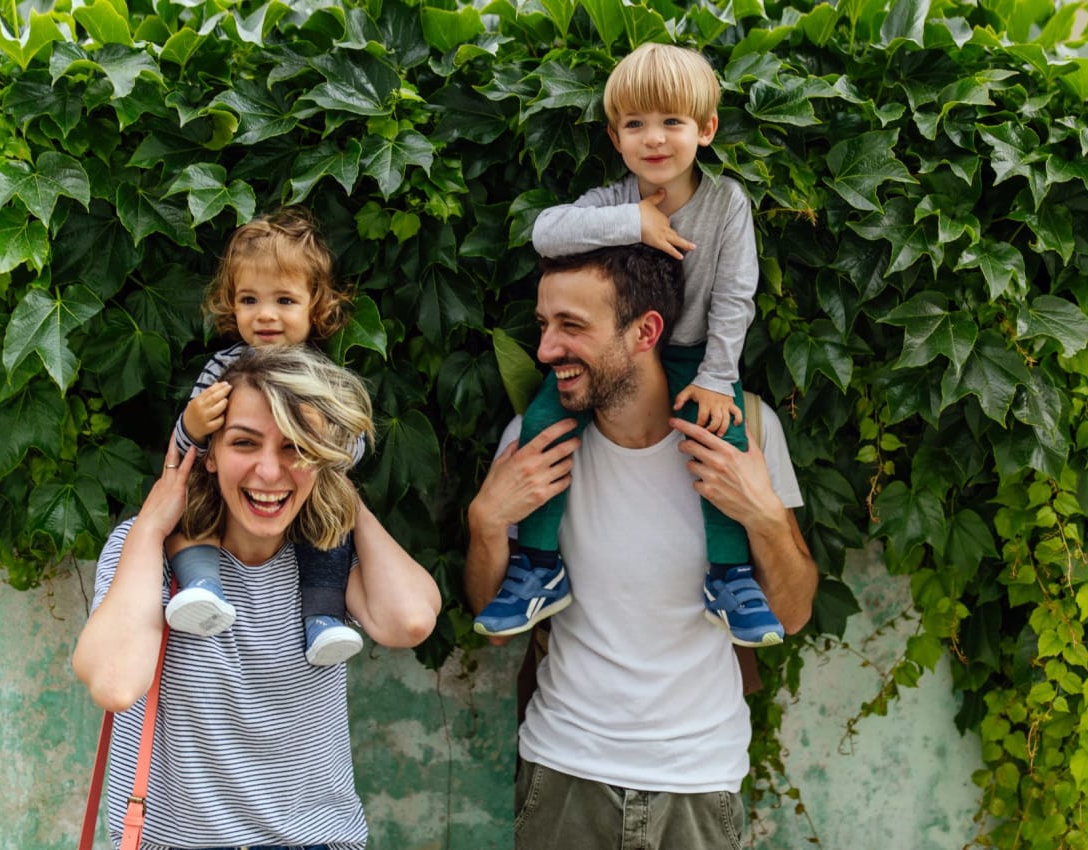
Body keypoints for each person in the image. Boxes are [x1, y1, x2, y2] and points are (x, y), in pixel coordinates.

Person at [464, 245, 819, 849]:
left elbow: (790, 613)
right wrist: (485, 523)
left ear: (645, 331)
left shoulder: (746, 431)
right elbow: (497, 626)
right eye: (544, 326)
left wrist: (762, 516)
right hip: (564, 772)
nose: (547, 350)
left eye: (571, 327)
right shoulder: (534, 443)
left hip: (700, 781)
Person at [73, 345, 441, 850]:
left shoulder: (328, 554)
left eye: (295, 447)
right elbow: (115, 684)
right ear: (210, 454)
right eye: (245, 443)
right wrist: (152, 524)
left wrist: (337, 489)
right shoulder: (149, 550)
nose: (269, 472)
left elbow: (412, 620)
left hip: (316, 840)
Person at [473, 43, 779, 648]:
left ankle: (732, 575)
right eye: (635, 125)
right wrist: (634, 224)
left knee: (723, 439)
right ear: (616, 138)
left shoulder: (726, 203)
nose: (655, 139)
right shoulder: (614, 201)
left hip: (695, 355)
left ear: (706, 129)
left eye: (672, 122)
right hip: (617, 353)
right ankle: (537, 565)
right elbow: (546, 232)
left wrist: (719, 377)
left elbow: (736, 295)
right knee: (542, 422)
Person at [166, 207, 369, 666]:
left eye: (284, 301)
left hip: (303, 496)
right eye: (249, 300)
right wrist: (194, 425)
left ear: (315, 306)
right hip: (230, 502)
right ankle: (202, 586)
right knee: (188, 502)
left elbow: (354, 448)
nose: (265, 316)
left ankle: (322, 619)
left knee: (334, 520)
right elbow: (183, 450)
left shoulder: (322, 377)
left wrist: (326, 442)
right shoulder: (221, 370)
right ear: (230, 304)